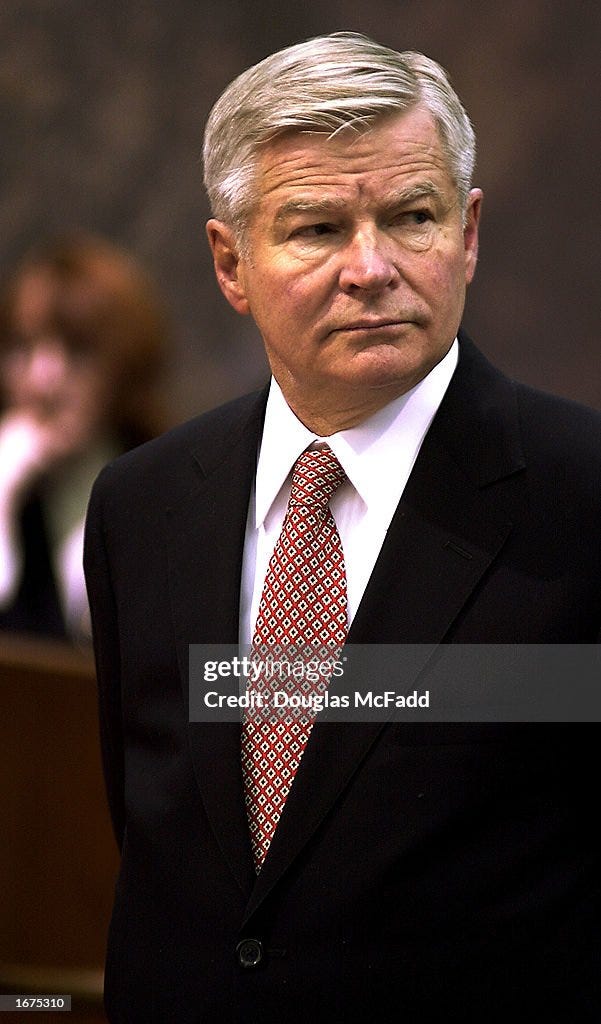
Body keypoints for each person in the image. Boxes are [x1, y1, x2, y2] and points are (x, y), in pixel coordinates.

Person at [84, 32, 601, 1023]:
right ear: (230, 262)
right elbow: (158, 844)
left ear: (469, 233)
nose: (372, 267)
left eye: (412, 217)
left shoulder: (579, 499)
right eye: (317, 228)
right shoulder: (141, 505)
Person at [0, 235, 167, 640]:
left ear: (122, 366)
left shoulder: (168, 490)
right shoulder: (13, 476)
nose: (42, 379)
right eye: (22, 347)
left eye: (76, 351)